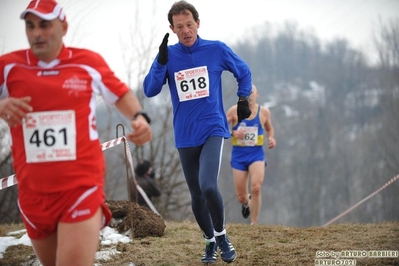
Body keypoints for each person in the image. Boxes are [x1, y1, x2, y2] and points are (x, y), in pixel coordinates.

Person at [0, 0, 152, 265]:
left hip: (80, 187)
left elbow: (120, 93)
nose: (36, 33)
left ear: (63, 26)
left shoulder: (87, 62)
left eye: (45, 25)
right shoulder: (8, 67)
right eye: (30, 25)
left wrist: (139, 117)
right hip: (33, 193)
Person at [143, 0, 252, 264]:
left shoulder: (216, 49)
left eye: (189, 25)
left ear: (198, 23)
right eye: (179, 27)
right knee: (195, 195)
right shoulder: (169, 56)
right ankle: (209, 243)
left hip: (212, 128)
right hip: (184, 135)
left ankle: (222, 236)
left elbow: (244, 71)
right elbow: (149, 90)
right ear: (172, 28)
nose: (186, 30)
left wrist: (242, 99)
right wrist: (160, 62)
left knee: (208, 186)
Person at [226, 84, 276, 225]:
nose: (250, 96)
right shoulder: (234, 111)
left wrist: (271, 138)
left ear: (257, 94)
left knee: (256, 187)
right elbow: (221, 125)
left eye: (252, 92)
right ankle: (246, 202)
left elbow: (269, 129)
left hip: (256, 155)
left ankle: (254, 223)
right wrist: (233, 132)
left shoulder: (264, 112)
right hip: (239, 156)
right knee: (241, 197)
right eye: (246, 93)